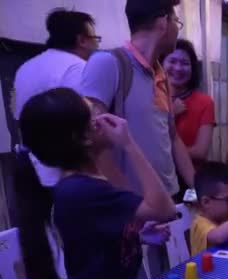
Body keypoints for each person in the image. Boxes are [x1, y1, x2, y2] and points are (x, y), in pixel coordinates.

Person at [18, 88, 175, 279]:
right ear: (82, 138)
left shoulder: (87, 184)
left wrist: (135, 236)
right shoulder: (82, 190)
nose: (107, 121)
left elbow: (92, 243)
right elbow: (165, 210)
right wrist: (129, 144)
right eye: (95, 119)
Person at [81, 0, 194, 201]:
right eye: (176, 21)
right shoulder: (108, 64)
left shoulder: (161, 74)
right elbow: (93, 142)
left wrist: (198, 188)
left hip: (167, 196)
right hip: (132, 203)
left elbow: (172, 137)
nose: (178, 29)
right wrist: (127, 203)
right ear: (163, 23)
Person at [14, 8, 99, 187]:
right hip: (66, 171)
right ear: (82, 40)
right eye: (95, 39)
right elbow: (87, 119)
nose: (97, 45)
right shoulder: (79, 67)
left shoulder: (25, 67)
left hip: (30, 163)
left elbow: (18, 118)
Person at [162, 39, 216, 197]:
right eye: (172, 61)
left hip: (190, 182)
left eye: (185, 63)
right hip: (158, 177)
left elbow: (200, 152)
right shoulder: (151, 99)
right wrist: (171, 114)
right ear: (160, 64)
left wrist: (162, 150)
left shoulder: (204, 102)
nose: (178, 68)